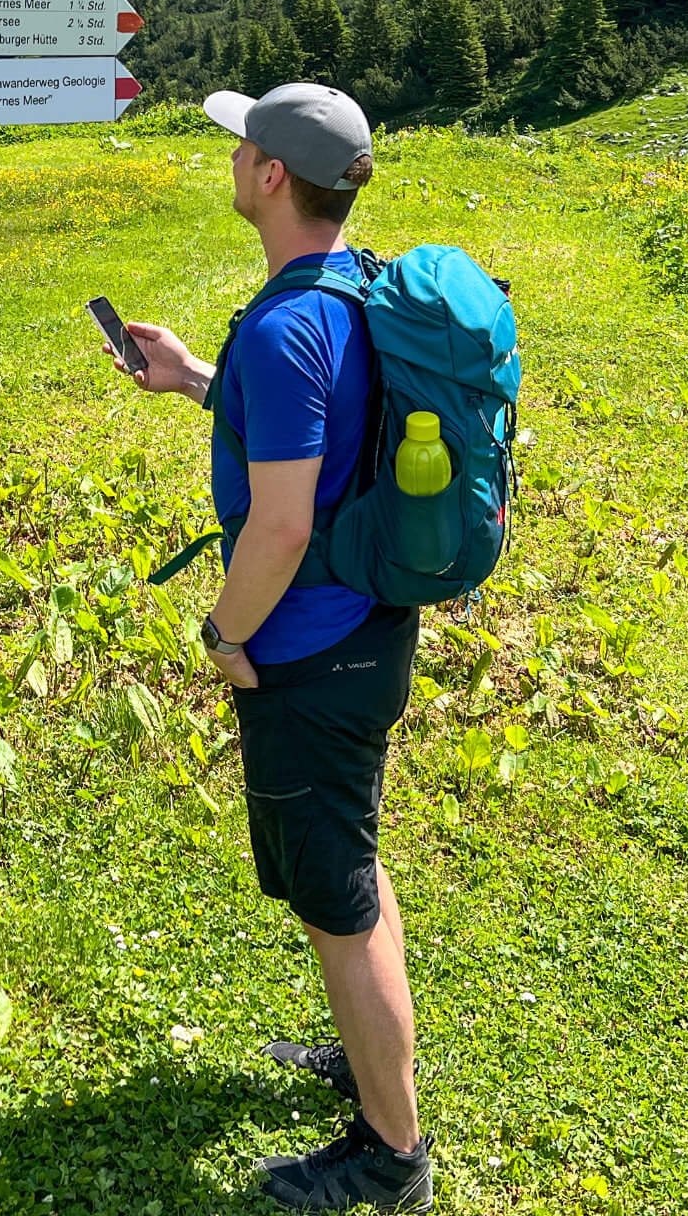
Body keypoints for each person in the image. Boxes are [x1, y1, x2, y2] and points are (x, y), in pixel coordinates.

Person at [109, 82, 433, 1212]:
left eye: (244, 145)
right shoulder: (349, 285)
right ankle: (369, 1058)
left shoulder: (292, 322)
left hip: (310, 648)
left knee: (335, 900)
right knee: (348, 857)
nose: (234, 156)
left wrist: (222, 633)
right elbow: (318, 442)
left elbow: (284, 522)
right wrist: (197, 378)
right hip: (367, 624)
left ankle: (391, 1155)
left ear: (269, 178)